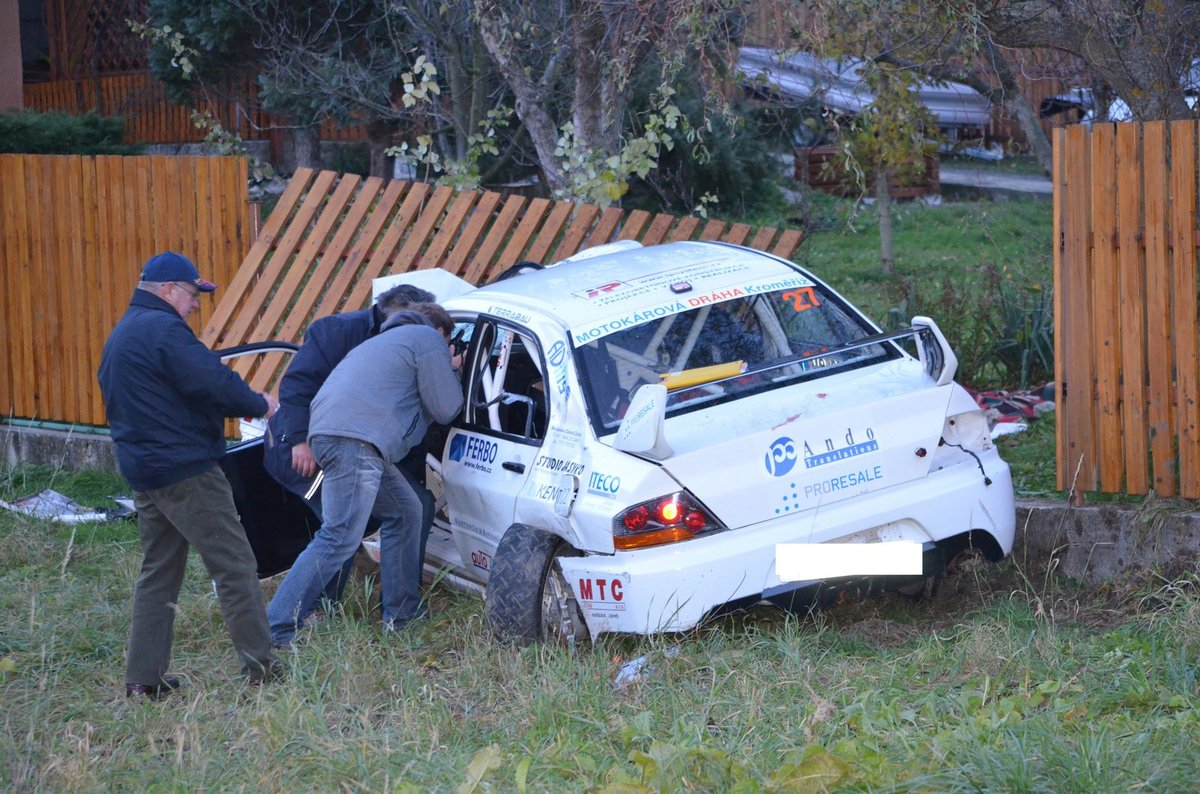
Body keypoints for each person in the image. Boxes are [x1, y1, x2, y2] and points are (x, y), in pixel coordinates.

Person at [97, 251, 283, 699]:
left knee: (159, 571)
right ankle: (262, 671)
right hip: (187, 472)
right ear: (166, 291)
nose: (197, 303)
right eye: (192, 293)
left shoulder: (124, 334)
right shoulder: (164, 331)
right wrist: (261, 404)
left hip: (145, 472)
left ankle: (144, 678)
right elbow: (212, 382)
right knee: (236, 565)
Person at [266, 304, 464, 647]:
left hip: (343, 437)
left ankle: (402, 615)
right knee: (339, 535)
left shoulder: (379, 343)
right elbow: (446, 408)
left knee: (408, 510)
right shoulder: (427, 339)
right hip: (356, 442)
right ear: (441, 333)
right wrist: (452, 368)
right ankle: (275, 628)